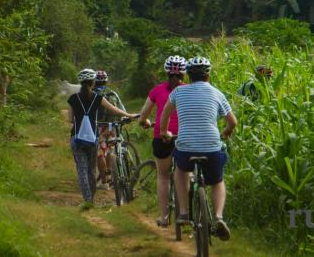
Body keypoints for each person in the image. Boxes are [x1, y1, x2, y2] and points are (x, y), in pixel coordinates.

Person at [160, 56, 237, 241]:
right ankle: (218, 217)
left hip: (186, 147)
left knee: (180, 170)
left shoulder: (178, 92)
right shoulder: (217, 93)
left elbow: (165, 114)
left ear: (189, 76)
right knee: (217, 181)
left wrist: (164, 132)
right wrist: (226, 131)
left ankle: (184, 213)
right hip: (211, 146)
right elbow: (233, 122)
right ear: (208, 76)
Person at [66, 68, 138, 210]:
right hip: (92, 138)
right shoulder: (98, 98)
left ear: (81, 82)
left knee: (82, 170)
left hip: (77, 137)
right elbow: (115, 110)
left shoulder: (73, 99)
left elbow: (70, 119)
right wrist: (130, 115)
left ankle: (87, 201)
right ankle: (91, 198)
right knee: (91, 170)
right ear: (93, 82)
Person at [138, 55, 187, 227]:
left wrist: (144, 122)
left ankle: (164, 216)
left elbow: (144, 115)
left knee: (163, 176)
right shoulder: (188, 89)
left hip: (162, 137)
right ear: (184, 73)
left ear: (167, 72)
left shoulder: (157, 90)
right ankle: (185, 212)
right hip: (184, 138)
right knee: (185, 173)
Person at [93, 70, 126, 189]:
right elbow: (121, 109)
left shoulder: (91, 94)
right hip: (112, 126)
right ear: (106, 81)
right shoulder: (113, 93)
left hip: (99, 126)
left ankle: (104, 182)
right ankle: (113, 178)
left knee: (100, 153)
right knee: (111, 150)